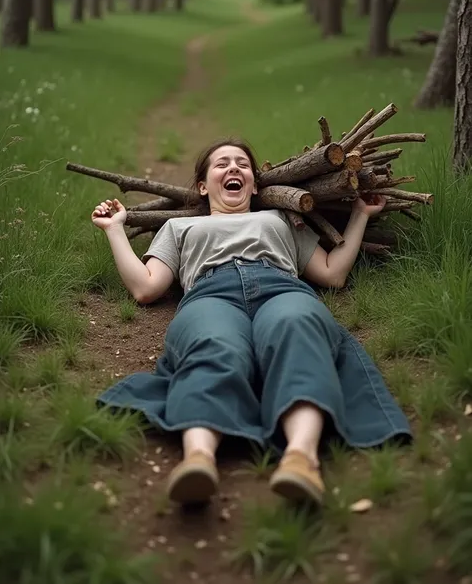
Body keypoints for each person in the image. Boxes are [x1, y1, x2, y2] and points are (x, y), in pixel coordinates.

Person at [92, 138, 411, 507]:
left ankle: (301, 458)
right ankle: (199, 458)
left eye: (242, 164)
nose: (233, 169)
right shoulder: (179, 229)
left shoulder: (281, 219)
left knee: (298, 325)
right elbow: (145, 288)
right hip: (211, 294)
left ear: (255, 185)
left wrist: (360, 216)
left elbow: (332, 273)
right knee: (213, 342)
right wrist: (115, 229)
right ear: (202, 185)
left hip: (281, 287)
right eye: (221, 164)